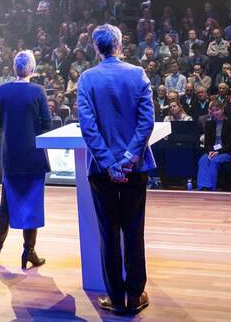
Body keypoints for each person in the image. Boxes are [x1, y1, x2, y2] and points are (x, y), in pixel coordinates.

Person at [75, 24, 156, 315]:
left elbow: (88, 126)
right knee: (134, 230)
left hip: (101, 171)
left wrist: (109, 163)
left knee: (109, 232)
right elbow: (147, 122)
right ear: (120, 45)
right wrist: (129, 158)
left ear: (96, 48)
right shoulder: (138, 74)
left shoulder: (87, 79)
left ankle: (116, 299)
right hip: (135, 168)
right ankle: (135, 295)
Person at [0, 51, 51, 269]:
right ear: (32, 69)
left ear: (15, 69)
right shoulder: (38, 91)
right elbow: (47, 123)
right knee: (32, 202)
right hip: (32, 153)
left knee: (6, 201)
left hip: (10, 154)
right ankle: (28, 252)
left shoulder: (3, 90)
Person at [196, 101, 231, 191]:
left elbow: (229, 144)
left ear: (222, 110)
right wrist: (210, 151)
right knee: (203, 160)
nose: (215, 112)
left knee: (214, 161)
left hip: (226, 152)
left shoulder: (230, 123)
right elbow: (207, 143)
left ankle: (211, 188)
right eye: (213, 110)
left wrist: (217, 152)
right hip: (212, 151)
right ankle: (203, 187)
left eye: (217, 110)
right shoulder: (209, 124)